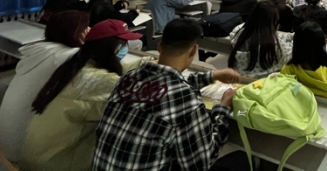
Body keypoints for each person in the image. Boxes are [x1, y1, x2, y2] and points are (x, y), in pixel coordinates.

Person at [93, 19, 249, 171]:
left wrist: (213, 76)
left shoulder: (128, 78)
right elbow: (201, 163)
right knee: (241, 161)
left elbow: (165, 86)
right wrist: (223, 108)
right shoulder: (186, 100)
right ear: (193, 50)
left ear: (159, 46)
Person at [21, 19, 144, 171]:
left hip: (40, 158)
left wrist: (145, 62)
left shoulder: (76, 66)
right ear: (110, 48)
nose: (125, 47)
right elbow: (137, 96)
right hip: (60, 164)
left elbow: (118, 69)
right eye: (123, 44)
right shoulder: (103, 81)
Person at [0, 11, 90, 163]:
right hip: (23, 150)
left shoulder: (42, 49)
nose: (90, 30)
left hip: (3, 141)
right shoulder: (69, 55)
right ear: (76, 32)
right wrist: (90, 44)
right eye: (86, 27)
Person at [228, 1, 293, 78]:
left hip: (239, 78)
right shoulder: (275, 45)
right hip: (262, 83)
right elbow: (291, 55)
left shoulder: (239, 32)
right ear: (273, 22)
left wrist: (290, 36)